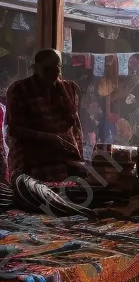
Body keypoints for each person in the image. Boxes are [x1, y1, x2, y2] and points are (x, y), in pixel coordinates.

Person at [4, 49, 84, 182]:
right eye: (48, 68)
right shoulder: (19, 89)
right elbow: (15, 129)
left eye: (57, 67)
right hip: (31, 157)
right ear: (36, 68)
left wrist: (74, 150)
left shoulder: (68, 89)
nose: (54, 72)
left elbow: (75, 126)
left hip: (63, 156)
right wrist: (49, 138)